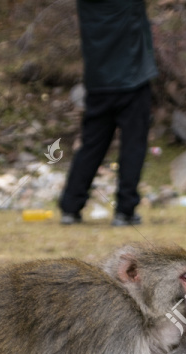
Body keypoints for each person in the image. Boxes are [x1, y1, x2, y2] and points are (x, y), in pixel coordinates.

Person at [59, 0, 158, 227]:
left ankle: (70, 208)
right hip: (133, 80)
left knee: (92, 146)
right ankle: (124, 211)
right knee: (133, 146)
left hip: (98, 82)